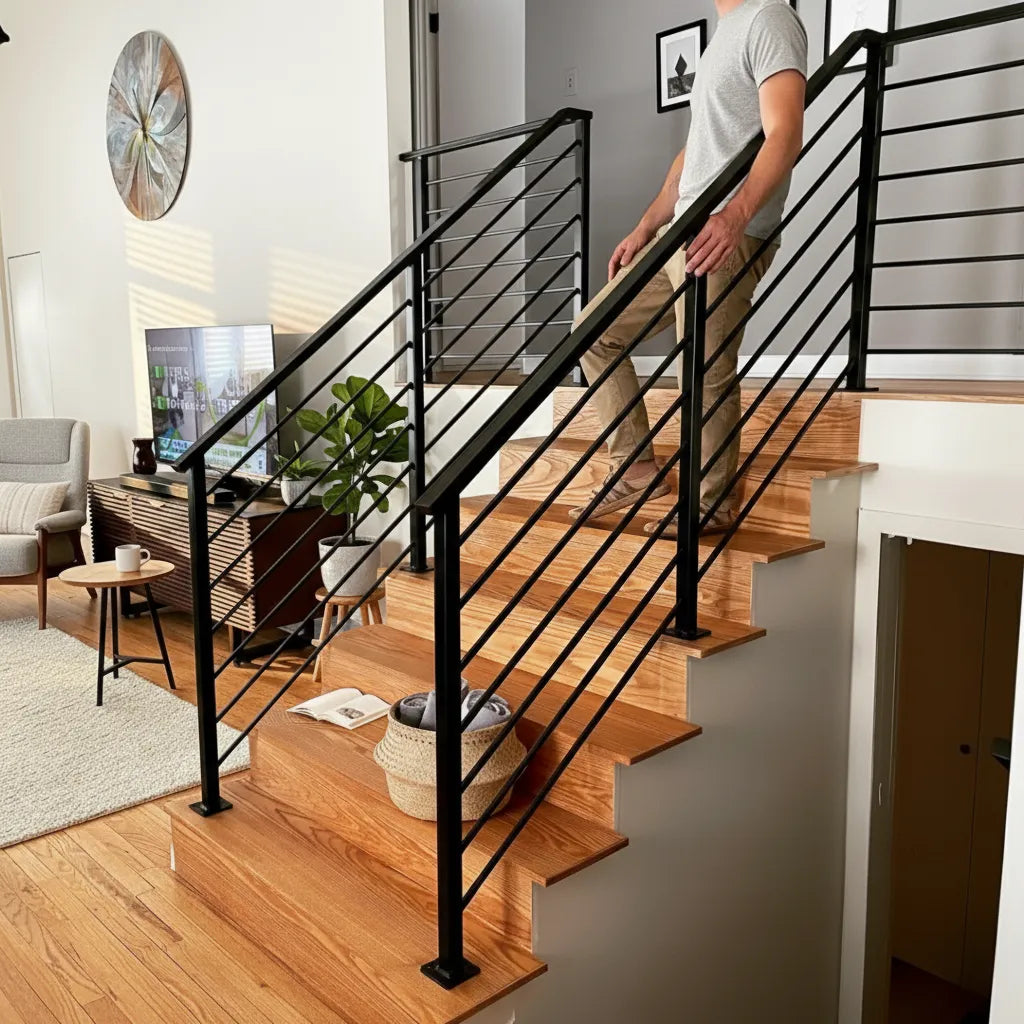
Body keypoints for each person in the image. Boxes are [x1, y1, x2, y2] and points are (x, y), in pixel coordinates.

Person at [569, 0, 808, 535]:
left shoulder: (770, 17)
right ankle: (635, 467)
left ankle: (712, 501)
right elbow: (693, 153)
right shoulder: (724, 32)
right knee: (593, 332)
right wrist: (646, 225)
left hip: (726, 233)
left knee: (704, 368)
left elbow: (786, 131)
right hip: (679, 230)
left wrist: (735, 216)